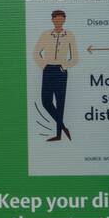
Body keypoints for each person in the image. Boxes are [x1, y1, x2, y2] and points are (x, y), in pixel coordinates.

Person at [32, 9, 77, 141]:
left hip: (61, 71)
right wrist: (44, 65)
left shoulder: (69, 35)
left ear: (64, 20)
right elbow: (36, 52)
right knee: (46, 101)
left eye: (60, 19)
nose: (58, 22)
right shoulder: (46, 34)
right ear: (52, 20)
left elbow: (75, 57)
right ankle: (63, 127)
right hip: (48, 70)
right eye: (56, 19)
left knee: (60, 102)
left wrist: (64, 66)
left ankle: (59, 135)